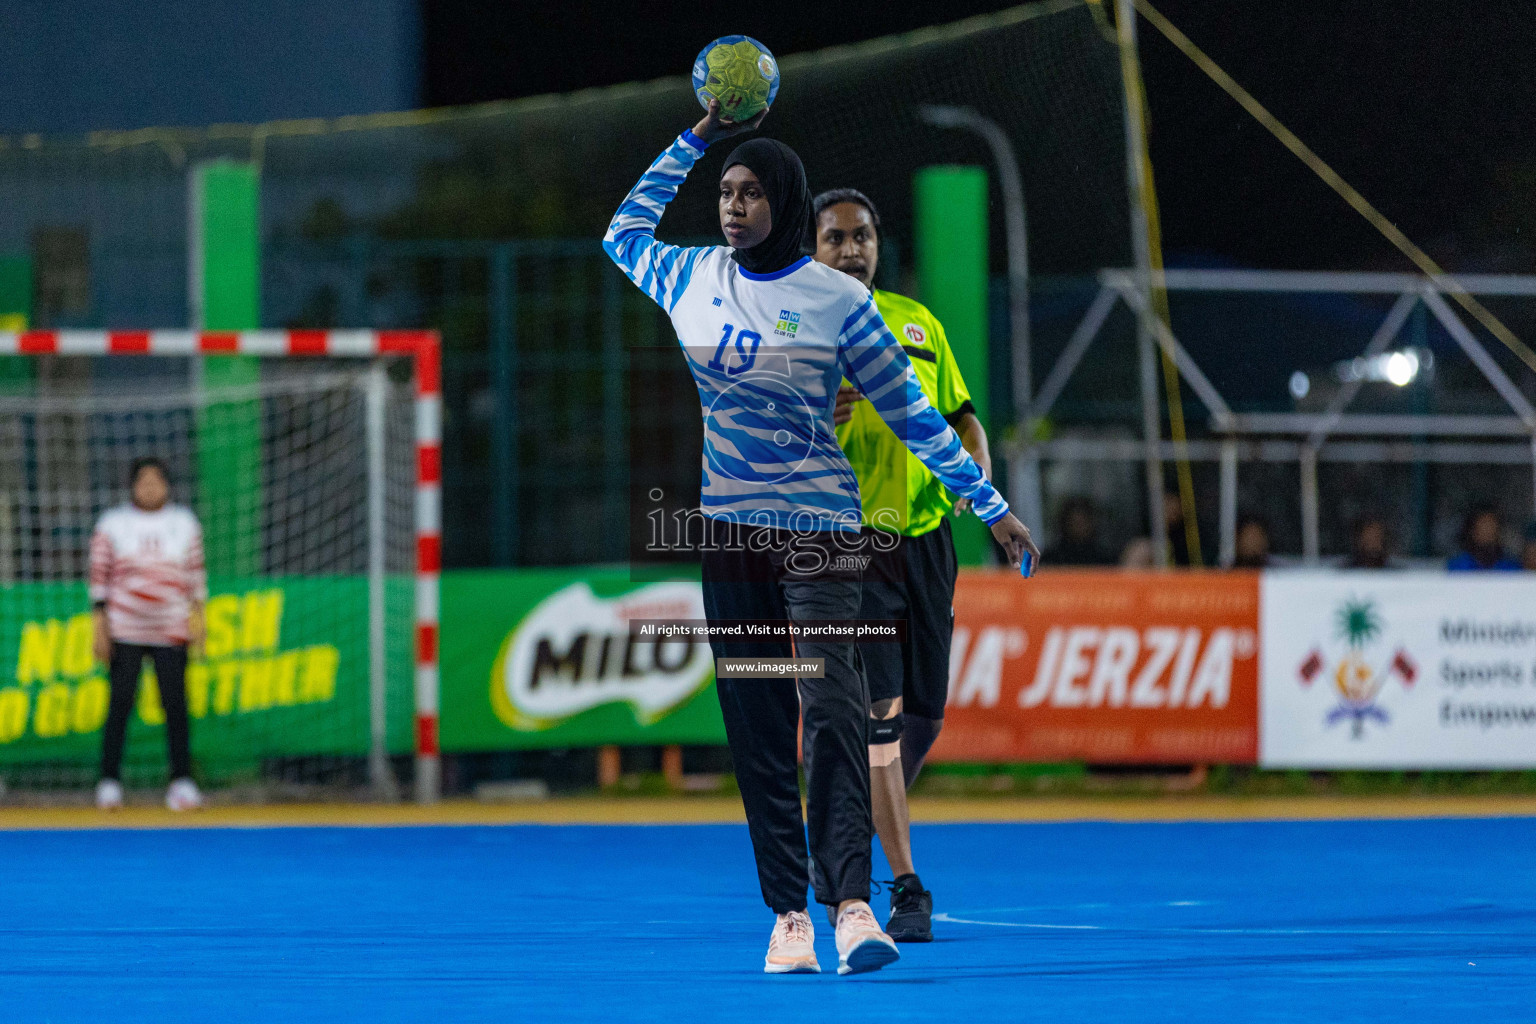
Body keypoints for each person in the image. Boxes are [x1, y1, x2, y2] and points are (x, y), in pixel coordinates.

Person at [603, 102, 1037, 976]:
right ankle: (788, 917)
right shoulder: (690, 277)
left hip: (822, 535)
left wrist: (984, 501)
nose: (732, 205)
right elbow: (623, 230)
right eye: (726, 190)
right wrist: (698, 136)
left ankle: (851, 907)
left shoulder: (837, 300)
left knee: (834, 708)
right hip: (729, 534)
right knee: (758, 719)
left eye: (751, 191)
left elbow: (918, 415)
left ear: (786, 202)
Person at [813, 186, 999, 943]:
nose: (851, 249)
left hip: (926, 544)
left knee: (923, 716)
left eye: (862, 235)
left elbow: (961, 415)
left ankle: (839, 822)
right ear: (813, 249)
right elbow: (761, 445)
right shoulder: (804, 333)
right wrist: (816, 418)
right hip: (850, 547)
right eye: (834, 238)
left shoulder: (918, 324)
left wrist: (979, 473)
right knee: (881, 720)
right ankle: (906, 887)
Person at [89, 456, 206, 812]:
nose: (150, 486)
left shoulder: (184, 523)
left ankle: (181, 781)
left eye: (157, 480)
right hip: (124, 629)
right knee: (120, 704)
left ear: (167, 485)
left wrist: (199, 623)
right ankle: (109, 782)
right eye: (144, 480)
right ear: (133, 485)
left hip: (171, 629)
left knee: (175, 705)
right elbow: (99, 579)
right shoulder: (113, 523)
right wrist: (100, 627)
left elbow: (196, 577)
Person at [1044, 496, 1115, 566]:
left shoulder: (1104, 561)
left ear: (1092, 523)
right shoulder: (1050, 560)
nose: (1079, 527)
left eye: (1083, 522)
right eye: (1074, 522)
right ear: (1064, 523)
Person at [1447, 503, 1519, 571]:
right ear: (1473, 532)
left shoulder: (1511, 567)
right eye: (1483, 527)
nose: (1487, 533)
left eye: (1491, 527)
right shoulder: (1457, 567)